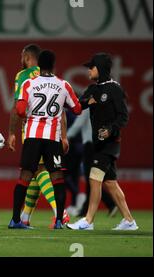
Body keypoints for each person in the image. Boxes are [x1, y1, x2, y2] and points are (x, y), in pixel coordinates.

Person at [9, 50, 82, 230]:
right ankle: (58, 220)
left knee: (25, 177)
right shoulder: (63, 84)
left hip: (33, 136)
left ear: (38, 65)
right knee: (57, 178)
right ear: (54, 65)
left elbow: (19, 110)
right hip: (53, 138)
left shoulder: (28, 82)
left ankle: (16, 219)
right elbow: (77, 109)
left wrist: (25, 113)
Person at [67, 53, 138, 230]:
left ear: (101, 68)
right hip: (97, 144)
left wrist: (110, 130)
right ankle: (129, 221)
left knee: (94, 178)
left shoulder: (115, 88)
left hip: (111, 143)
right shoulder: (93, 89)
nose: (88, 70)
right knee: (111, 183)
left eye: (92, 67)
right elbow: (78, 107)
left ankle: (88, 220)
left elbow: (123, 116)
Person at [66, 108, 116, 217]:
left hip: (90, 145)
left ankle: (111, 203)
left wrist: (66, 137)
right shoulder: (103, 107)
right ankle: (86, 209)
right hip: (102, 144)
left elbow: (78, 125)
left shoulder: (87, 108)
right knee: (94, 178)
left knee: (92, 178)